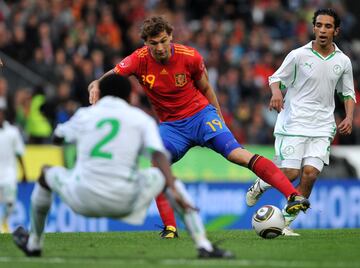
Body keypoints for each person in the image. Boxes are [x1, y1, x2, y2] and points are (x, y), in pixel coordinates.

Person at [88, 16, 310, 238]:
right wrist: (98, 83)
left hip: (201, 116)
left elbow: (206, 89)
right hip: (172, 127)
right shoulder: (139, 59)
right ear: (146, 43)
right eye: (153, 43)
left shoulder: (190, 57)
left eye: (163, 41)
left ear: (171, 37)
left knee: (238, 155)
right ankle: (170, 229)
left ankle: (293, 196)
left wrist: (219, 119)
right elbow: (112, 76)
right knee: (157, 168)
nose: (159, 47)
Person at [12, 74, 234, 259]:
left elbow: (58, 139)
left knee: (46, 174)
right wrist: (172, 186)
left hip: (83, 197)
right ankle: (203, 245)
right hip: (126, 200)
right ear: (129, 95)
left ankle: (34, 244)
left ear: (103, 94)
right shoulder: (139, 119)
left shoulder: (85, 115)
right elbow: (158, 155)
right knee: (164, 177)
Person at [246, 8, 356, 236]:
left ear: (336, 30)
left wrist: (349, 116)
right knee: (290, 173)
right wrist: (276, 93)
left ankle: (285, 222)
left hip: (323, 126)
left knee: (310, 174)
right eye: (319, 25)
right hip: (294, 122)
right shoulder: (298, 55)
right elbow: (275, 78)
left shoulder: (343, 61)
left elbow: (348, 93)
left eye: (328, 26)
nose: (322, 30)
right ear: (313, 27)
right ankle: (261, 184)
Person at [0, 100, 27, 233]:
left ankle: (4, 222)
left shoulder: (13, 132)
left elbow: (19, 154)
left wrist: (24, 172)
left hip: (9, 175)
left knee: (10, 203)